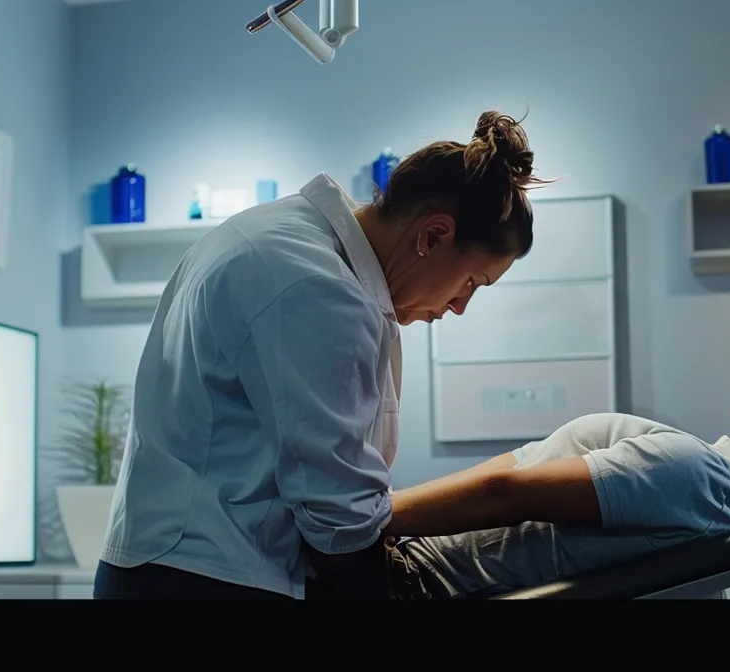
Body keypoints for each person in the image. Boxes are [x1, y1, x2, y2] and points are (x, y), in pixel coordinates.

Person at [94, 110, 555, 600]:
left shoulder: (285, 237)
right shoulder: (317, 287)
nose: (461, 306)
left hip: (172, 566)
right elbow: (338, 517)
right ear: (433, 235)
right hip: (203, 577)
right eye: (472, 282)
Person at [361, 369, 730, 599]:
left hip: (404, 577)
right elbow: (510, 477)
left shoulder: (695, 474)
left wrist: (363, 518)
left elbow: (504, 493)